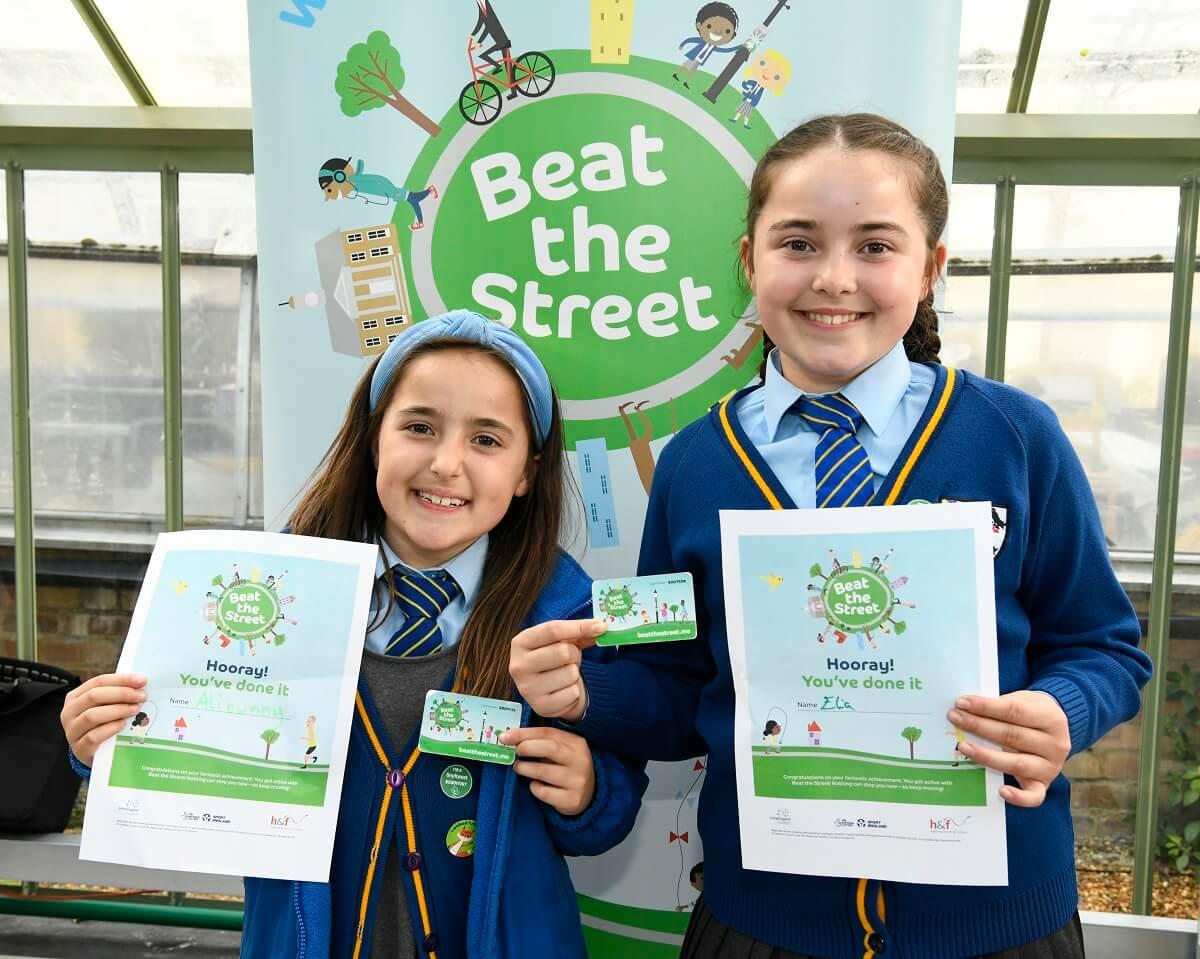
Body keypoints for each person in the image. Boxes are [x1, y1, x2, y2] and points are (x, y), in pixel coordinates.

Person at [509, 114, 1152, 958]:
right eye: (800, 243)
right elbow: (678, 684)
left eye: (876, 246)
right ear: (751, 262)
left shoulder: (1015, 436)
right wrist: (587, 694)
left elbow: (1107, 647)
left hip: (994, 923)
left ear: (931, 268)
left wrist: (1061, 711)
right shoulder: (696, 465)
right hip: (764, 921)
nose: (835, 278)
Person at [61, 309, 647, 959]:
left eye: (486, 439)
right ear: (374, 440)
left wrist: (591, 791)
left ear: (526, 474)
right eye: (419, 426)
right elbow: (195, 756)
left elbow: (611, 813)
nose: (447, 463)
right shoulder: (271, 593)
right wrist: (106, 744)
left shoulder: (567, 619)